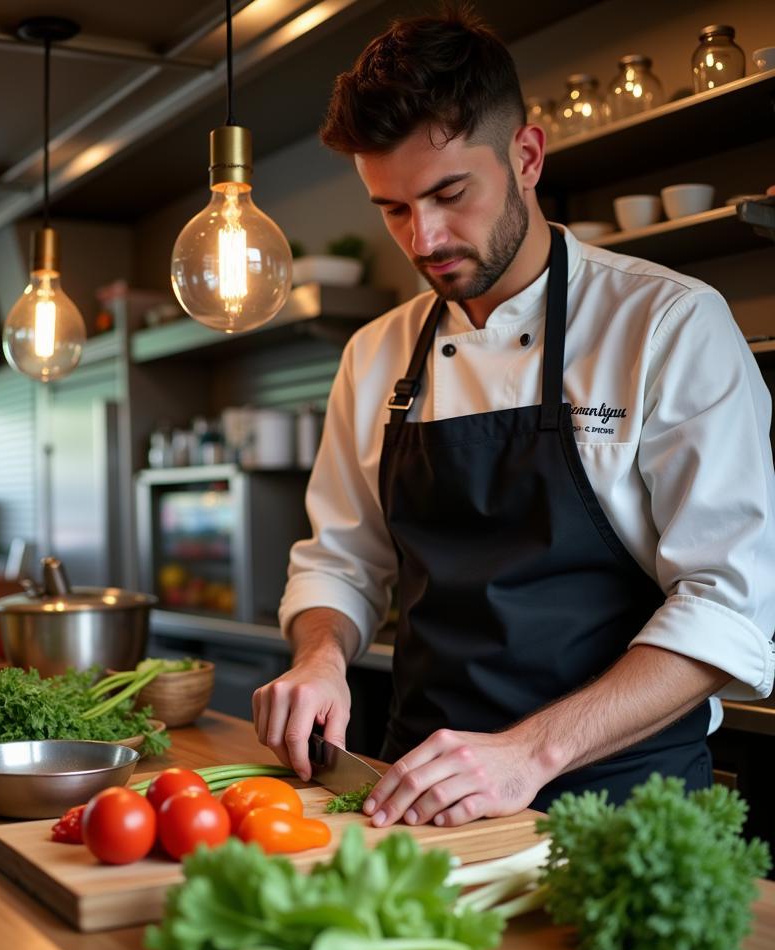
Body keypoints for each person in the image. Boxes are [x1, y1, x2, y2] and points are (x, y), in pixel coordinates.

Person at [252, 8, 775, 828]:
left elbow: (729, 602)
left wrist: (528, 754)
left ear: (526, 157)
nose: (423, 238)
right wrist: (321, 657)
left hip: (623, 805)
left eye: (449, 193)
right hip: (417, 790)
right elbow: (342, 564)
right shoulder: (375, 355)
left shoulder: (668, 325)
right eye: (392, 209)